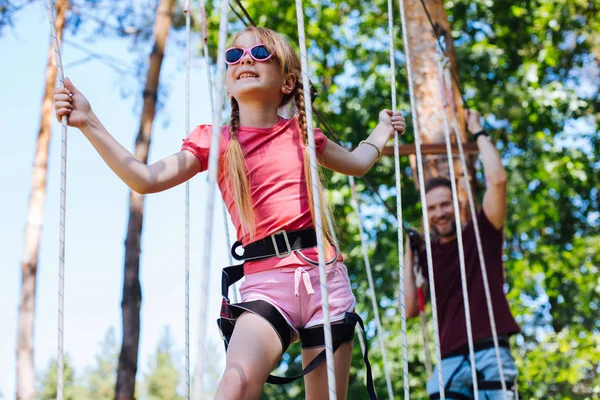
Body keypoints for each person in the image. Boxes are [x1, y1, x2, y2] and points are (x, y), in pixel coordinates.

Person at [54, 26, 405, 400]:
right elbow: (145, 178)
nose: (245, 59)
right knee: (235, 386)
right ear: (228, 80)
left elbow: (357, 161)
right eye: (234, 56)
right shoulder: (215, 141)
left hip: (324, 280)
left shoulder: (303, 135)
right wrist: (89, 123)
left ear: (287, 83)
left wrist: (382, 130)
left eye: (260, 53)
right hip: (267, 284)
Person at [403, 110, 520, 400]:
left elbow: (499, 180)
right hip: (449, 361)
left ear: (456, 204)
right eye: (432, 209)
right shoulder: (426, 255)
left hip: (490, 350)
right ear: (426, 215)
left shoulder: (483, 232)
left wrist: (478, 131)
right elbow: (409, 309)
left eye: (444, 205)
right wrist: (409, 253)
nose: (439, 213)